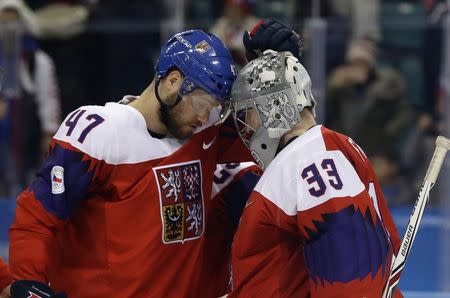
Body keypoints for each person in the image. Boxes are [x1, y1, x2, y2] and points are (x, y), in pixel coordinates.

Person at [8, 21, 301, 296]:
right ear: (173, 80)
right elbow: (38, 217)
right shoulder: (99, 132)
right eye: (201, 103)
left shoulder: (204, 134)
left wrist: (273, 67)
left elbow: (273, 130)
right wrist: (28, 281)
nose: (204, 116)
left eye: (214, 109)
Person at [228, 50, 403, 297]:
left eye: (250, 113)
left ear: (275, 106)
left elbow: (350, 271)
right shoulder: (327, 147)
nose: (248, 126)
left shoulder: (310, 157)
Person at [0, 0, 61, 195]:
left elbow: (49, 104)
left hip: (27, 141)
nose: (8, 28)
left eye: (13, 22)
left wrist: (48, 136)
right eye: (3, 22)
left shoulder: (37, 61)